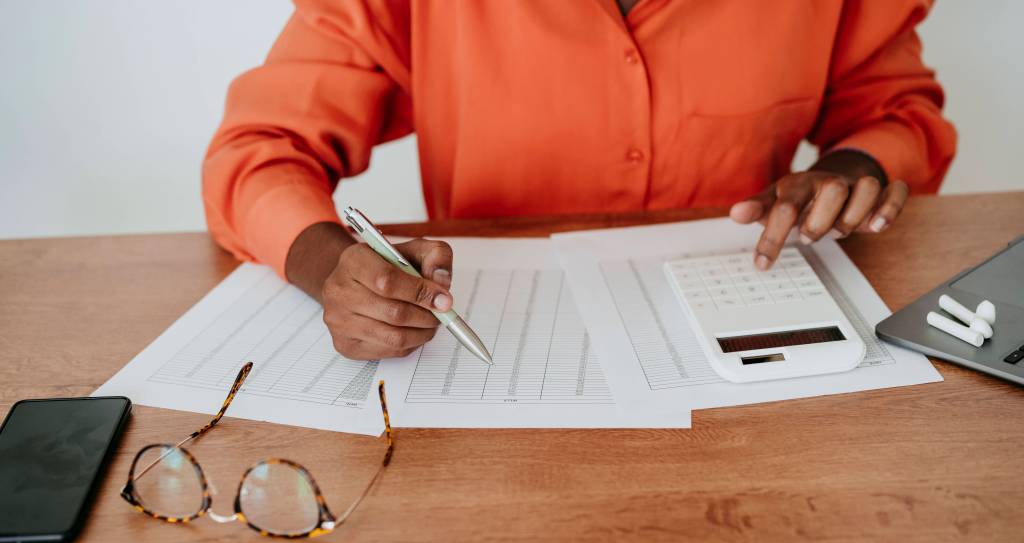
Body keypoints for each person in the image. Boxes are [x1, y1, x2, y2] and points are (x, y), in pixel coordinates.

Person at [203, 0, 956, 361]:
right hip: (495, 358)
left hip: (752, 349)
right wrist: (329, 262)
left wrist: (862, 164)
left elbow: (898, 113)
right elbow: (261, 151)